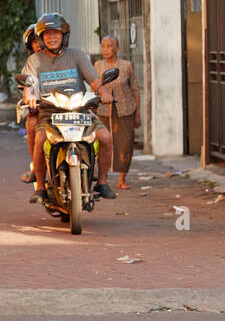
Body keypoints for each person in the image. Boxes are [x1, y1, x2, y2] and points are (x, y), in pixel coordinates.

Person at [21, 12, 116, 202]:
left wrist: (103, 92)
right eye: (47, 34)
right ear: (41, 37)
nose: (52, 37)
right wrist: (30, 96)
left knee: (105, 137)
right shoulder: (35, 61)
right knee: (40, 141)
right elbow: (28, 85)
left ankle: (102, 182)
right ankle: (40, 187)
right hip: (49, 114)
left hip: (79, 111)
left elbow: (94, 79)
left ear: (65, 36)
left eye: (56, 33)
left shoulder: (76, 55)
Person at [94, 35, 141, 191]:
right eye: (103, 46)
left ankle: (122, 179)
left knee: (125, 144)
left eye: (109, 46)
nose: (105, 49)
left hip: (125, 109)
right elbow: (94, 88)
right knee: (103, 144)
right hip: (103, 110)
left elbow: (135, 89)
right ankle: (103, 179)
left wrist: (138, 113)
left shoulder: (126, 66)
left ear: (117, 49)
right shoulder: (98, 65)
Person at [19, 23, 43, 184]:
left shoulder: (66, 57)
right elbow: (26, 88)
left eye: (41, 40)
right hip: (43, 108)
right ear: (30, 45)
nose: (39, 44)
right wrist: (30, 99)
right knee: (31, 124)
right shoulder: (31, 63)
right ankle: (36, 167)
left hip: (68, 106)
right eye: (35, 41)